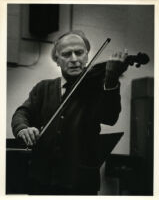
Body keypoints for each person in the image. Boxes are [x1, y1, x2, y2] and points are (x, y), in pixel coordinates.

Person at [11, 30, 129, 195]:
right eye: (67, 54)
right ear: (57, 60)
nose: (74, 59)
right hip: (40, 181)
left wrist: (111, 78)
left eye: (79, 53)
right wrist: (23, 128)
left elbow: (109, 117)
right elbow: (22, 113)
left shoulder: (96, 88)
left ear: (87, 56)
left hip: (80, 185)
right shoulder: (43, 88)